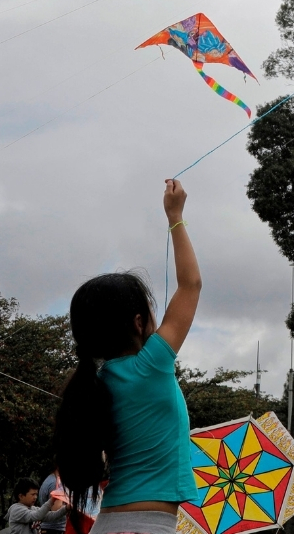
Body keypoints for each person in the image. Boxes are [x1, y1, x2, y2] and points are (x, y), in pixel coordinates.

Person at [54, 180, 202, 534]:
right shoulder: (149, 365)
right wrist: (175, 217)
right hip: (147, 526)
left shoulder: (95, 384)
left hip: (110, 523)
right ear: (138, 323)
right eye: (151, 311)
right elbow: (190, 285)